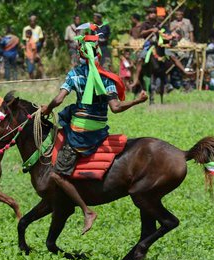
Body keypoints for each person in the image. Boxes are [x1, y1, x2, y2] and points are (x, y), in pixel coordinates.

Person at [40, 28, 148, 234]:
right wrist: (137, 100)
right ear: (97, 52)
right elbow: (115, 108)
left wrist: (48, 108)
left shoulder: (74, 75)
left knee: (56, 175)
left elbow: (59, 99)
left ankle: (86, 211)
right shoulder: (107, 78)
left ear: (80, 53)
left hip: (80, 134)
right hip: (99, 131)